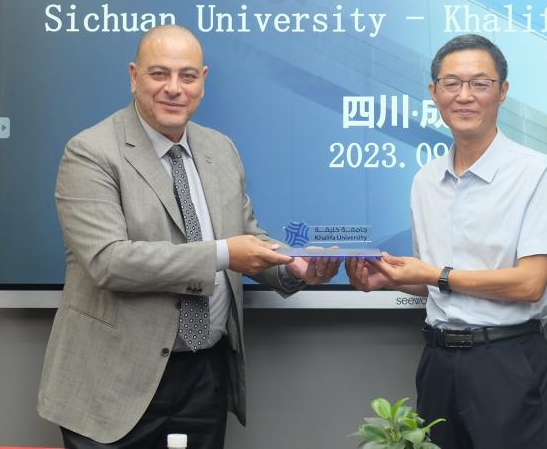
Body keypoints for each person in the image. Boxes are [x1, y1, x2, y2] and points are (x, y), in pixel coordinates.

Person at [38, 25, 339, 449]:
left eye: (188, 76)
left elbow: (245, 236)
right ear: (134, 77)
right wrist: (223, 254)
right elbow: (108, 261)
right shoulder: (91, 152)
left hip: (204, 377)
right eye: (159, 74)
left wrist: (297, 266)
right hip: (114, 380)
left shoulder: (221, 149)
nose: (174, 88)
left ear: (203, 80)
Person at [347, 33, 547, 449]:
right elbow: (432, 279)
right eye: (451, 84)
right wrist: (389, 280)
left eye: (479, 83)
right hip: (437, 361)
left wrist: (436, 274)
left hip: (507, 360)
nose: (464, 96)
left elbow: (530, 284)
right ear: (434, 93)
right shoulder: (425, 180)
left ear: (502, 91)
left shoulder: (536, 171)